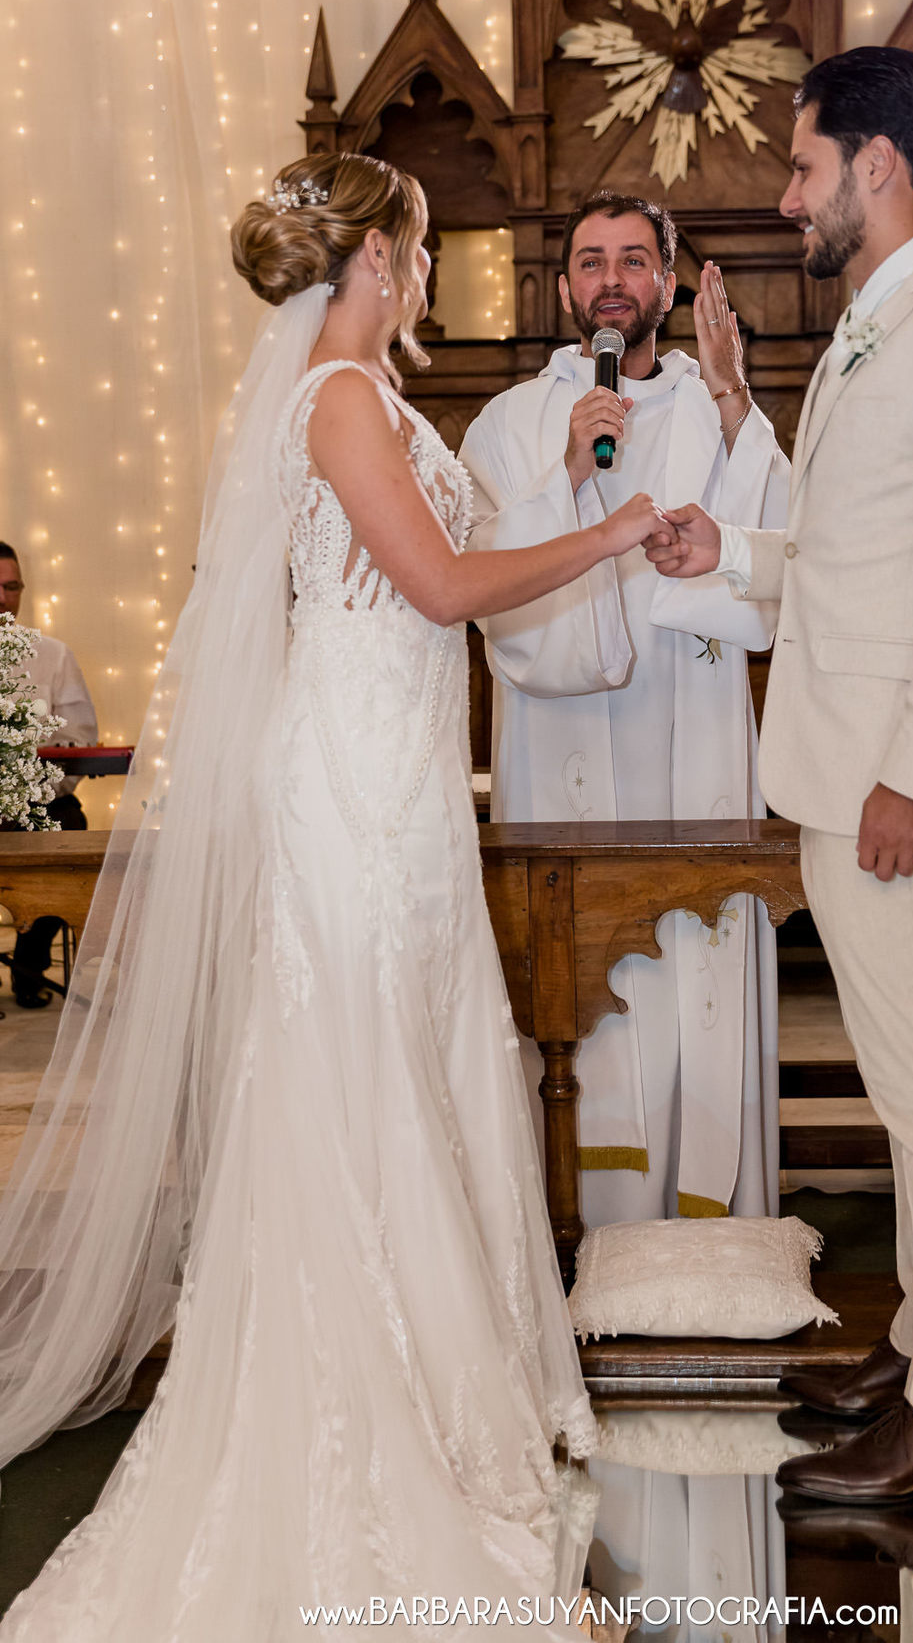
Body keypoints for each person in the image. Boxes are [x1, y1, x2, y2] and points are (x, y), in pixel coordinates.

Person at [0, 153, 667, 1636]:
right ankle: (363, 1422)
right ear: (374, 258)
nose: (424, 270)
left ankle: (443, 1394)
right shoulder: (342, 399)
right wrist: (617, 529)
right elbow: (443, 589)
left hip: (403, 785)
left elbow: (444, 556)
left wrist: (573, 487)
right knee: (360, 1081)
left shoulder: (367, 395)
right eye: (416, 247)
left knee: (417, 1062)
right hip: (350, 790)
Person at [648, 47, 913, 1503]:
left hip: (901, 788)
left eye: (803, 164)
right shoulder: (877, 327)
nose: (786, 194)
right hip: (850, 773)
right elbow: (856, 553)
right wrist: (737, 554)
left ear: (877, 167)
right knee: (910, 1096)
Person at [459, 192, 790, 1226]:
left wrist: (734, 401)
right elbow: (483, 580)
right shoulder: (513, 422)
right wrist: (567, 478)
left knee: (697, 961)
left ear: (669, 282)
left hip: (694, 726)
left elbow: (788, 556)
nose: (612, 280)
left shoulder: (714, 407)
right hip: (563, 735)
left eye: (634, 260)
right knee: (585, 982)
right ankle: (579, 1218)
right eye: (592, 261)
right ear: (564, 288)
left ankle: (705, 1218)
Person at [0, 543, 98, 1003]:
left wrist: (29, 792)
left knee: (68, 823)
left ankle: (29, 965)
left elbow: (79, 737)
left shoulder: (53, 655)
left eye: (11, 586)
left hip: (35, 802)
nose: (3, 598)